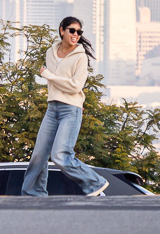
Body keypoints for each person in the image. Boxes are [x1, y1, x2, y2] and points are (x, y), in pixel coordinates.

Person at [22, 16, 109, 197]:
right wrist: (53, 80)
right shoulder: (50, 52)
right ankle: (33, 194)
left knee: (60, 155)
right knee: (38, 155)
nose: (76, 35)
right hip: (52, 108)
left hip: (70, 109)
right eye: (72, 30)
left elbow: (75, 86)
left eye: (79, 32)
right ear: (62, 30)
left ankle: (95, 182)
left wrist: (50, 76)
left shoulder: (80, 57)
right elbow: (59, 86)